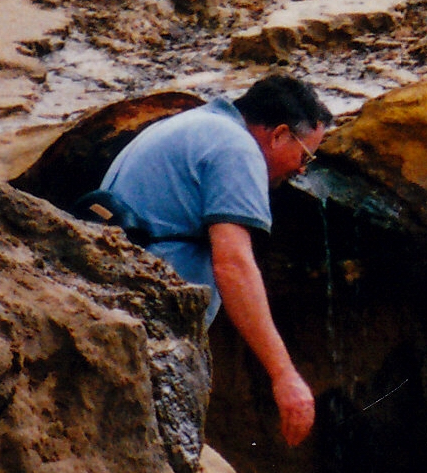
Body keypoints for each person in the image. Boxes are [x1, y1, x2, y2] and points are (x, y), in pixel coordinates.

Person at [96, 73, 336, 446]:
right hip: (147, 331)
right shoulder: (237, 148)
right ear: (279, 134)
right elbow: (233, 264)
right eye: (305, 155)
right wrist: (284, 375)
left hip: (112, 305)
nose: (302, 169)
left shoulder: (192, 124)